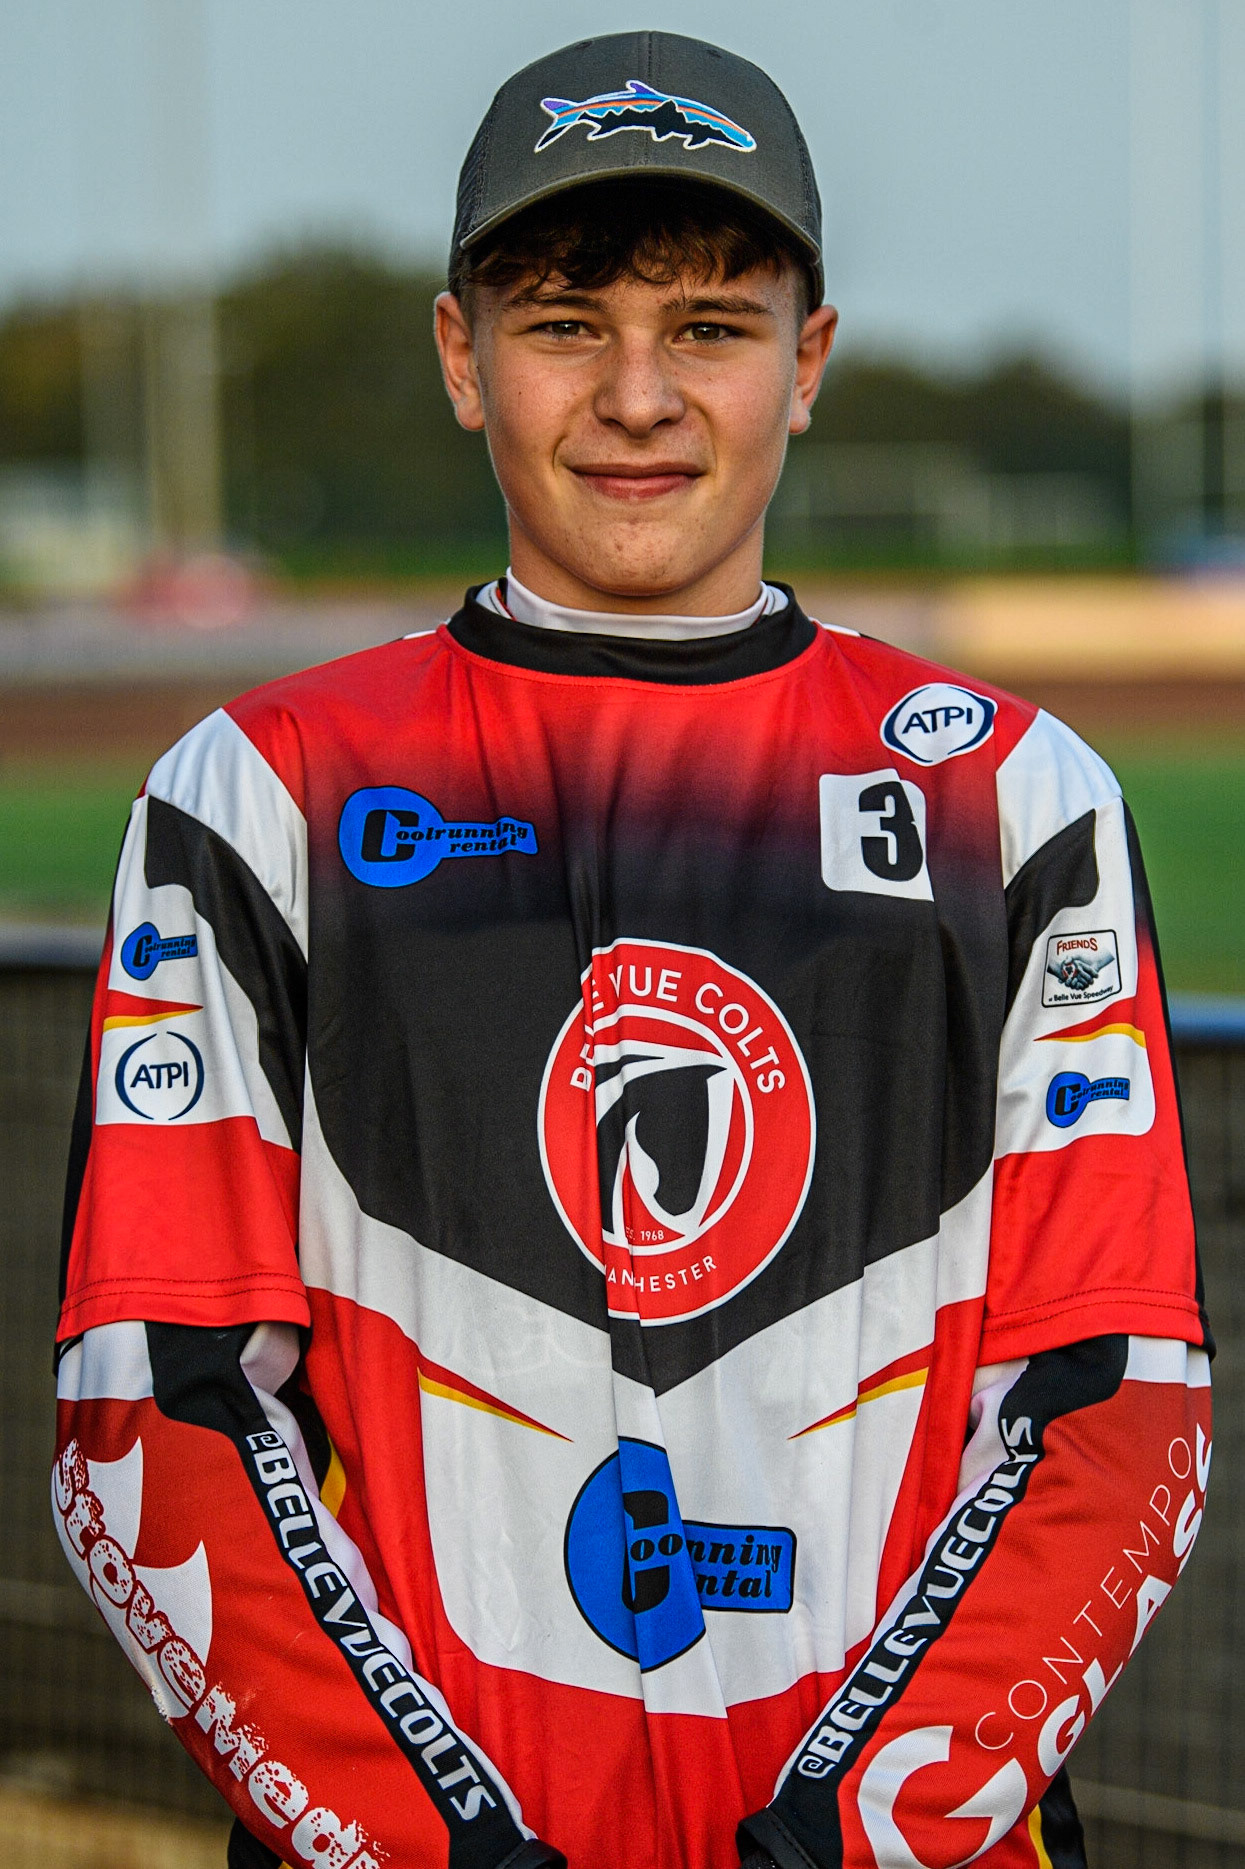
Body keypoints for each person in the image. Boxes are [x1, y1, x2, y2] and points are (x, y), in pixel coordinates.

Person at [53, 31, 1211, 1869]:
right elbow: (157, 1410)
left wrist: (848, 1838)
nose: (640, 396)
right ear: (460, 357)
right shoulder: (255, 795)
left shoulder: (1018, 797)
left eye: (711, 325)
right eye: (566, 320)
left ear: (808, 362)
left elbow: (1110, 1408)